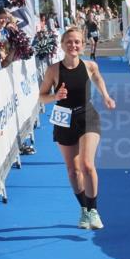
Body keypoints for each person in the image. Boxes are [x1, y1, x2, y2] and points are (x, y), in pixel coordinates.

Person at [38, 28, 116, 230]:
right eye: (69, 42)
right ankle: (84, 209)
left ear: (83, 45)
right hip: (63, 118)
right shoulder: (53, 70)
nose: (74, 46)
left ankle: (94, 210)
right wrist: (55, 97)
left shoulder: (90, 65)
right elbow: (41, 97)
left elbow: (98, 78)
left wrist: (106, 96)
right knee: (73, 171)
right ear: (62, 45)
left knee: (87, 165)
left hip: (87, 115)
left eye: (77, 42)